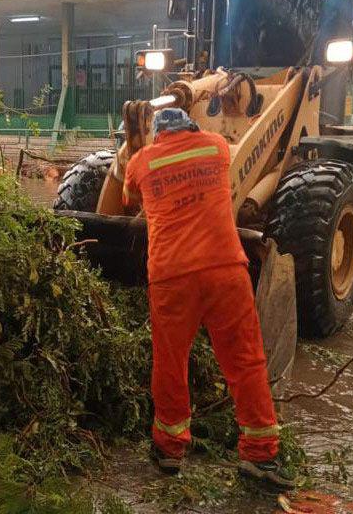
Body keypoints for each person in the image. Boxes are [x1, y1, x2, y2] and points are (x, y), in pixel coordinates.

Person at [122, 108, 294, 489]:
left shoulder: (143, 160)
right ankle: (260, 455)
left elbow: (128, 195)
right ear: (193, 125)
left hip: (171, 276)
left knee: (171, 362)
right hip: (225, 270)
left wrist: (134, 144)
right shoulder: (217, 147)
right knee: (245, 361)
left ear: (159, 135)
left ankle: (168, 451)